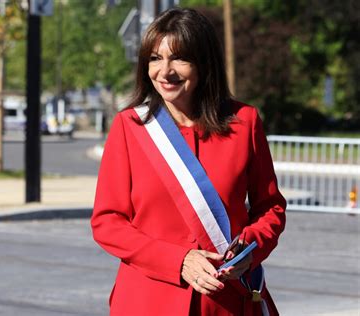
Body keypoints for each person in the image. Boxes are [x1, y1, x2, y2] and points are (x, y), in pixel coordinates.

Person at [91, 7, 286, 316]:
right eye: (155, 59)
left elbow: (270, 208)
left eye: (179, 58)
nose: (164, 72)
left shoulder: (244, 122)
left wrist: (249, 249)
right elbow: (107, 222)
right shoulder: (130, 126)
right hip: (148, 301)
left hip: (227, 301)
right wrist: (178, 261)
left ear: (204, 63)